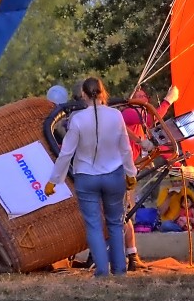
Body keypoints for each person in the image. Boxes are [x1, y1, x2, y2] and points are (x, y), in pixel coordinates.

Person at [43, 77, 137, 277]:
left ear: (84, 95)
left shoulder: (77, 119)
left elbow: (66, 153)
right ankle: (120, 270)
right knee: (115, 222)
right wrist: (131, 173)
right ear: (103, 93)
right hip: (114, 175)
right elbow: (126, 149)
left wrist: (54, 180)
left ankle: (102, 271)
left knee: (93, 224)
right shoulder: (116, 116)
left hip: (86, 176)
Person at [120, 85, 178, 269]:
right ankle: (128, 256)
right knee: (123, 213)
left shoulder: (140, 123)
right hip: (118, 168)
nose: (139, 100)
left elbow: (150, 124)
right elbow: (149, 117)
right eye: (136, 96)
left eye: (143, 97)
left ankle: (130, 255)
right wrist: (169, 100)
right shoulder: (128, 113)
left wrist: (178, 165)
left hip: (128, 168)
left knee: (126, 213)